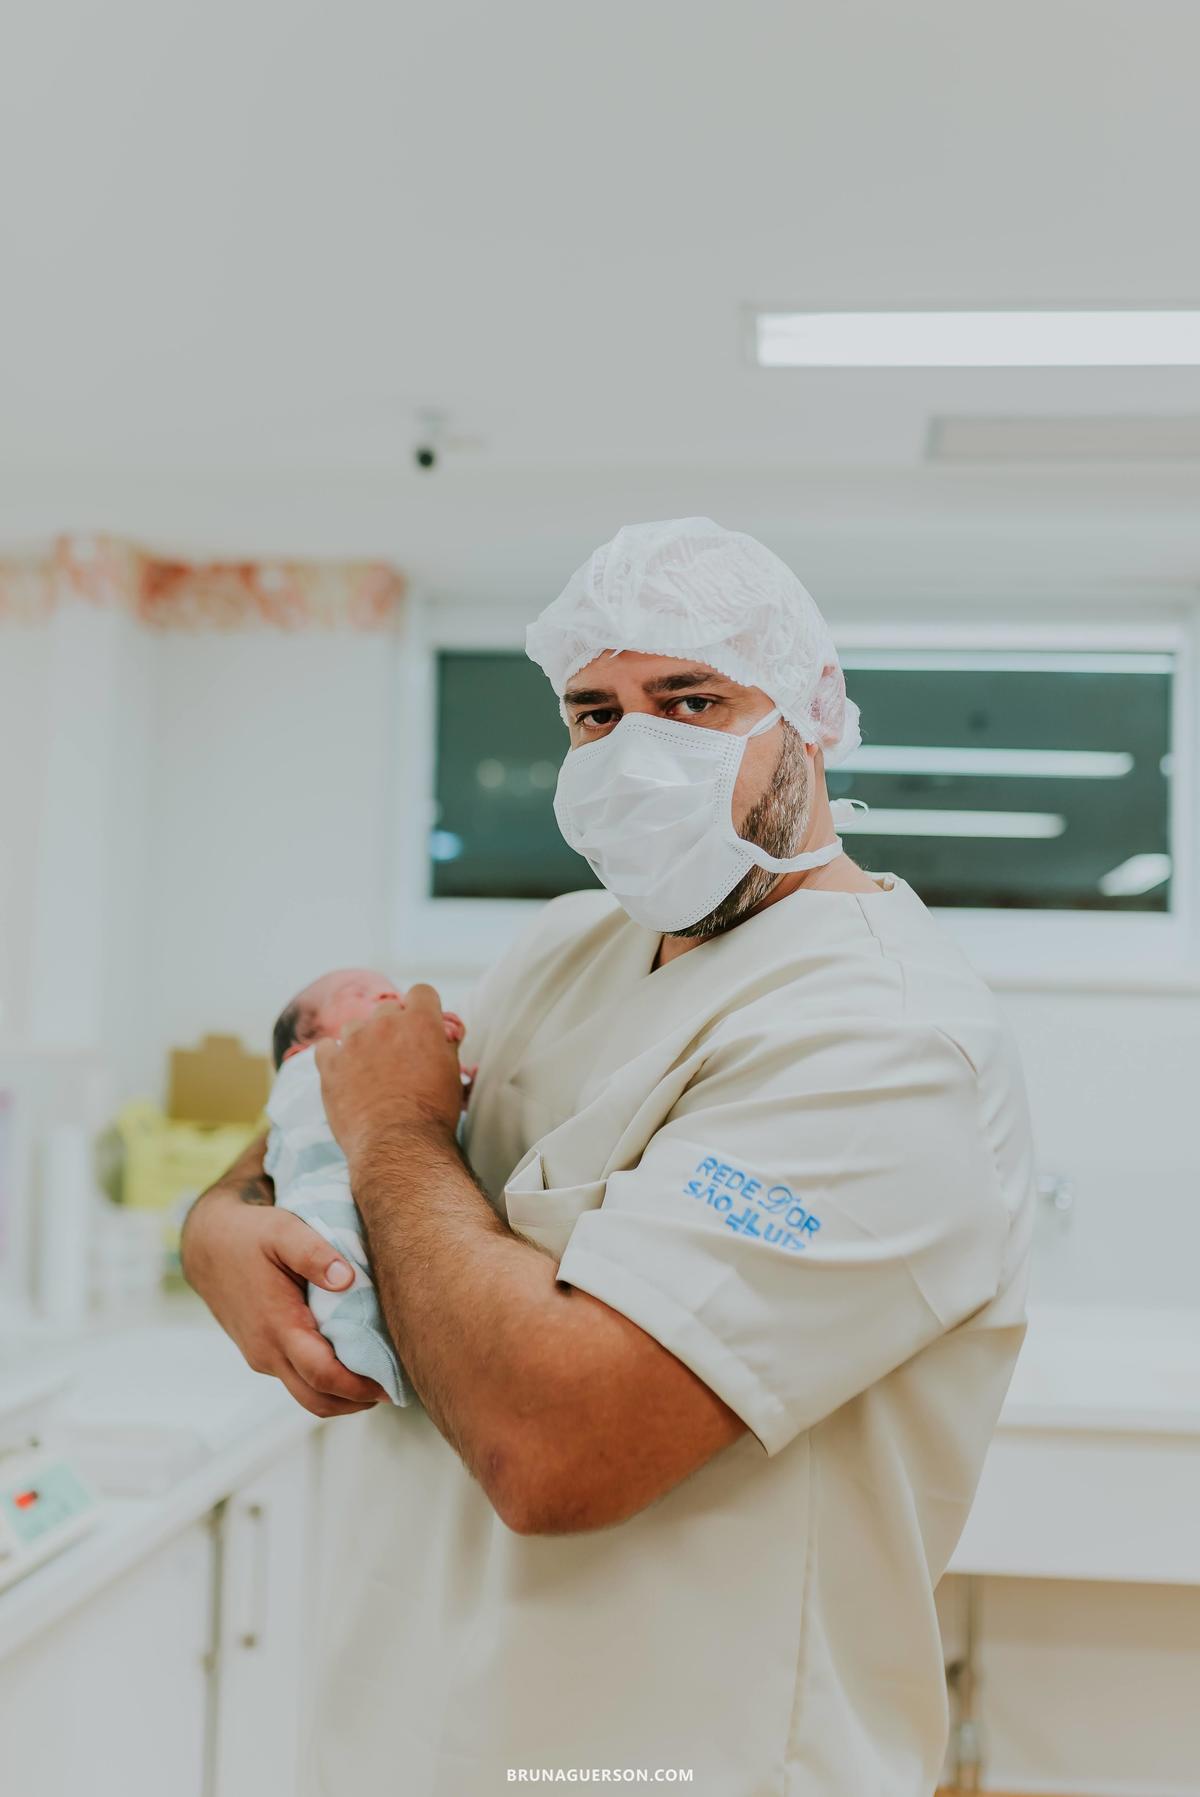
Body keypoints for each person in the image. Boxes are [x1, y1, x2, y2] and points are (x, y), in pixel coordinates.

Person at [182, 517, 1035, 1797]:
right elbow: (348, 1110)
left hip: (679, 1763)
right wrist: (219, 1214)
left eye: (690, 701)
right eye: (595, 712)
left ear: (813, 715)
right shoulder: (568, 945)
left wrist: (395, 1136)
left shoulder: (883, 1040)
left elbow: (556, 1446)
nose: (636, 752)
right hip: (410, 1732)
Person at [265, 968, 468, 1404]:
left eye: (388, 988)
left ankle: (392, 1355)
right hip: (325, 1188)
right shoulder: (308, 1070)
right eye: (355, 993)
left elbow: (437, 1103)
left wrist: (444, 1058)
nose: (384, 991)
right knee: (335, 1253)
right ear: (302, 1047)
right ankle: (354, 1343)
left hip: (402, 1193)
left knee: (399, 1260)